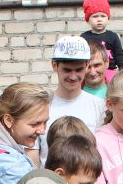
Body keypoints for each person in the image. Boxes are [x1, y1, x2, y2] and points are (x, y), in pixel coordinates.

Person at [40, 36, 105, 164]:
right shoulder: (42, 106)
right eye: (67, 70)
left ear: (87, 66)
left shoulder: (98, 106)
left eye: (79, 69)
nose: (73, 76)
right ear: (54, 65)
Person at [80, 0, 123, 73]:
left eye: (103, 16)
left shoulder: (113, 36)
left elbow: (119, 55)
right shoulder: (84, 38)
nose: (99, 19)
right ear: (88, 20)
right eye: (95, 16)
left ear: (108, 19)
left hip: (109, 72)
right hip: (91, 72)